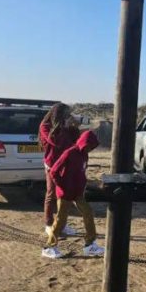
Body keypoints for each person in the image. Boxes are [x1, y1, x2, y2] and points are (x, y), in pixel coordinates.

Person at [42, 131, 105, 259]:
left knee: (88, 213)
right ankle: (49, 247)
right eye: (89, 146)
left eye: (92, 147)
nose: (90, 149)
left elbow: (81, 171)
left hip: (78, 193)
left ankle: (89, 244)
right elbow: (53, 171)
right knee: (60, 220)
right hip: (65, 193)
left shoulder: (84, 155)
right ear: (83, 143)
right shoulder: (69, 153)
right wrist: (62, 185)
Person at [39, 103, 80, 237]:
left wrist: (74, 127)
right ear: (59, 114)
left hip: (65, 163)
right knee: (51, 194)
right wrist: (64, 128)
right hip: (52, 164)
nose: (67, 117)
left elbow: (74, 141)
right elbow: (56, 141)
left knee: (64, 195)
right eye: (66, 114)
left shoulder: (64, 126)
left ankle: (61, 224)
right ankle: (49, 223)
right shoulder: (45, 127)